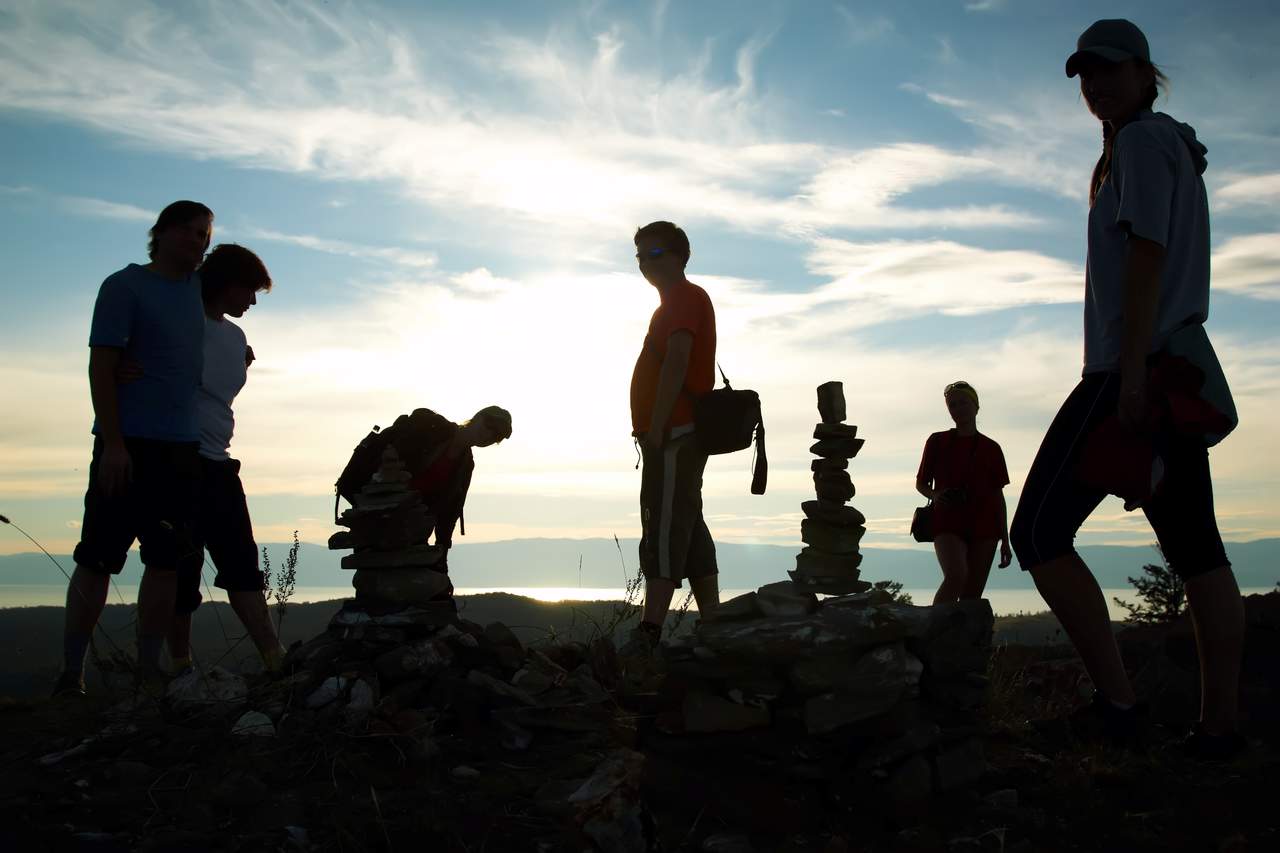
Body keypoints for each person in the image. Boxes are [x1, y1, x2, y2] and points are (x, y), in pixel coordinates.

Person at [1009, 19, 1245, 758]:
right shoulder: (1157, 146)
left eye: (1110, 69)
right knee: (1197, 549)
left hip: (1131, 369)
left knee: (1038, 533)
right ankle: (1218, 729)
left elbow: (1148, 253)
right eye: (1086, 73)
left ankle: (1119, 706)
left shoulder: (1140, 144)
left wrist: (1132, 371)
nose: (1096, 83)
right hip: (1174, 366)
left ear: (1146, 73)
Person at [55, 200, 213, 696]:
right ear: (160, 233)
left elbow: (239, 290)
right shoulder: (124, 286)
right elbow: (101, 368)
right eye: (188, 231)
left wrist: (239, 347)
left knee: (165, 563)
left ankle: (148, 672)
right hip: (127, 444)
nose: (197, 241)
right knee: (98, 558)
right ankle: (72, 675)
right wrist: (115, 444)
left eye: (204, 235)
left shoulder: (200, 288)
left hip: (181, 447)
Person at [158, 244, 286, 675]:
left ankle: (274, 659)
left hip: (218, 462)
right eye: (249, 291)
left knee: (242, 563)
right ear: (226, 283)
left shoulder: (235, 338)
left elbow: (218, 393)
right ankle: (180, 666)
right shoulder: (181, 322)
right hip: (177, 458)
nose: (252, 302)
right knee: (181, 568)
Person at [624, 221, 718, 655]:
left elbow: (678, 360)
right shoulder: (673, 303)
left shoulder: (682, 298)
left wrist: (658, 425)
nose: (646, 262)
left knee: (662, 523)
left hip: (674, 432)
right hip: (675, 431)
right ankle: (714, 621)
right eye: (641, 256)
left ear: (680, 255)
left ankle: (650, 631)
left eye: (655, 253)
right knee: (687, 521)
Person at [336, 405, 512, 595]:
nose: (489, 435)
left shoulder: (465, 464)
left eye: (497, 435)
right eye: (489, 425)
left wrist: (442, 552)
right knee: (377, 582)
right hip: (377, 511)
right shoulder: (432, 428)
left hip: (412, 526)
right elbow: (387, 461)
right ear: (477, 417)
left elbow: (451, 511)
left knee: (404, 586)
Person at [915, 381, 1012, 604]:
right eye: (953, 405)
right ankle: (934, 625)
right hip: (947, 521)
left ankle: (957, 629)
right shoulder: (937, 442)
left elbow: (998, 497)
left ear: (976, 406)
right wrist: (935, 495)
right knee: (956, 576)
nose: (958, 409)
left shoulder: (992, 448)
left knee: (971, 596)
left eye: (963, 403)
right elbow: (921, 484)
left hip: (985, 527)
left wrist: (1005, 540)